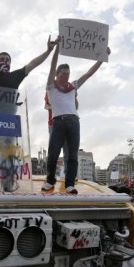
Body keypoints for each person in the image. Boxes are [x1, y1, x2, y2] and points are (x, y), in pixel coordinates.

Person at [0, 21, 58, 185]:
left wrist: (48, 51)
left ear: (11, 63)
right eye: (2, 59)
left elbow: (33, 64)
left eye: (7, 59)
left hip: (7, 124)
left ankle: (8, 185)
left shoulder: (15, 76)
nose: (5, 61)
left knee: (8, 155)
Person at [42, 42, 111, 194]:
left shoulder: (73, 86)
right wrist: (57, 48)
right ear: (57, 74)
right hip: (58, 122)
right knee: (53, 154)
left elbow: (89, 73)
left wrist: (102, 58)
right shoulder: (51, 86)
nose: (66, 74)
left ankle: (69, 184)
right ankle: (50, 180)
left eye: (68, 72)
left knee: (72, 155)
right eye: (63, 72)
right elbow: (52, 65)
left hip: (74, 122)